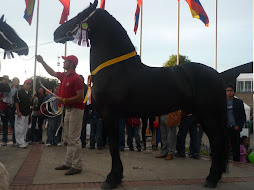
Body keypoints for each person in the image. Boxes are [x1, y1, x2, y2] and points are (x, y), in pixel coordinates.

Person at [36, 54, 84, 175]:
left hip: (75, 110)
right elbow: (51, 72)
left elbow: (81, 96)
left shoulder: (76, 78)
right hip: (68, 109)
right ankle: (69, 163)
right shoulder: (64, 76)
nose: (63, 62)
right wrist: (42, 62)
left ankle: (77, 165)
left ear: (71, 64)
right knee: (68, 137)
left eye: (65, 61)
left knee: (74, 138)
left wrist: (65, 101)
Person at [226, 83, 246, 161]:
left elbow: (243, 116)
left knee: (236, 146)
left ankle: (236, 162)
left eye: (231, 90)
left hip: (235, 127)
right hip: (225, 127)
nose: (229, 92)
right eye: (227, 91)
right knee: (225, 146)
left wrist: (239, 125)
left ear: (234, 92)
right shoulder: (222, 102)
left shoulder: (239, 102)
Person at [14, 79, 32, 148]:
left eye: (29, 84)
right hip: (20, 113)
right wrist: (18, 112)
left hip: (26, 113)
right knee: (19, 128)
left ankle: (22, 140)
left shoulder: (29, 93)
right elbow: (16, 102)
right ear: (24, 84)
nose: (28, 85)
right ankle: (19, 142)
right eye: (27, 84)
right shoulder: (19, 92)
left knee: (25, 128)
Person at [0, 75, 11, 146]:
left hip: (5, 108)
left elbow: (8, 97)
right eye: (4, 79)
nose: (5, 81)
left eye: (6, 79)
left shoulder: (8, 87)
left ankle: (4, 140)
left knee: (5, 124)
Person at [79, 75, 89, 148]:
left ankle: (82, 141)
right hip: (82, 109)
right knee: (80, 127)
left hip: (83, 109)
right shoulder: (85, 87)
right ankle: (81, 141)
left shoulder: (85, 88)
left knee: (82, 127)